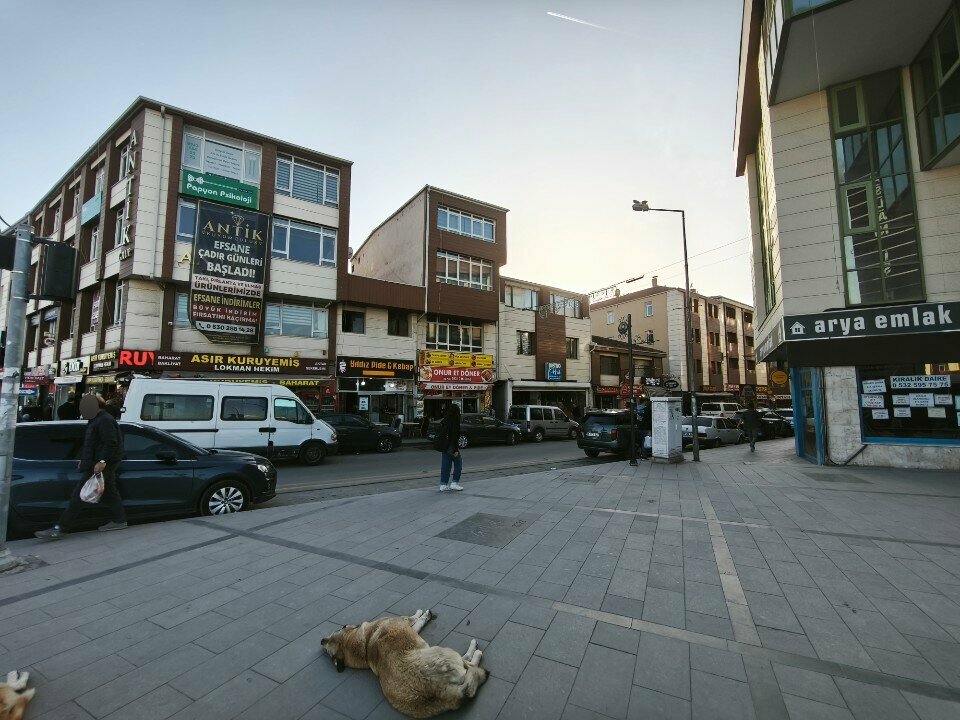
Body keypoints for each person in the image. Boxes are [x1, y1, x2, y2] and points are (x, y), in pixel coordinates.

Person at [35, 394, 127, 540]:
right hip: (95, 462)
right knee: (109, 492)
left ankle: (60, 528)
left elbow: (111, 443)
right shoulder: (96, 420)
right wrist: (84, 459)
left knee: (79, 495)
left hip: (101, 463)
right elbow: (91, 443)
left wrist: (101, 461)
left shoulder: (105, 420)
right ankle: (120, 520)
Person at [438, 403, 463, 492]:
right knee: (458, 463)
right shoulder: (455, 421)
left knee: (445, 465)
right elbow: (454, 436)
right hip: (451, 446)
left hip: (444, 446)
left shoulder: (445, 420)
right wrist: (456, 450)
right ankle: (454, 483)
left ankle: (443, 484)